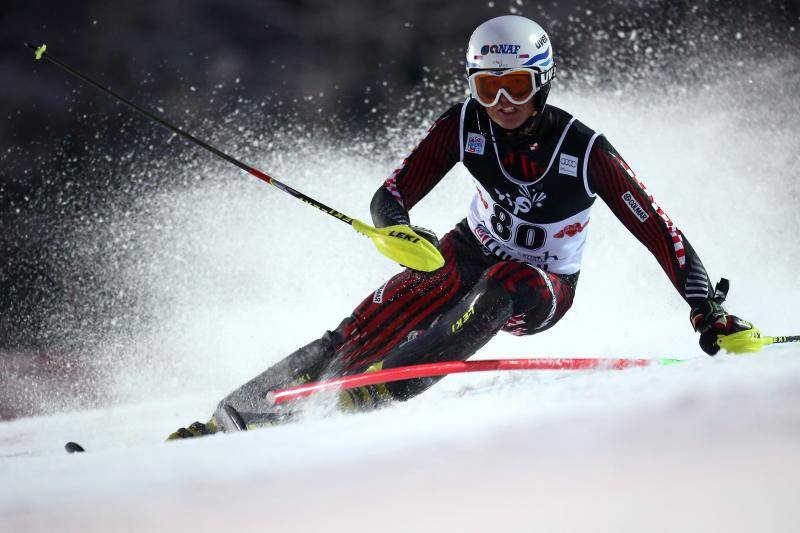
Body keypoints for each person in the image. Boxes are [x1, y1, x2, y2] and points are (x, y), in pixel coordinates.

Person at [169, 15, 753, 439]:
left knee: (501, 284)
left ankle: (381, 387)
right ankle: (226, 419)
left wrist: (708, 311)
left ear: (543, 81)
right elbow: (391, 194)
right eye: (486, 86)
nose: (501, 102)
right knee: (354, 331)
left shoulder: (584, 151)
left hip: (541, 286)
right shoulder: (463, 125)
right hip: (463, 253)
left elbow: (663, 234)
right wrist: (396, 229)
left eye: (517, 86)